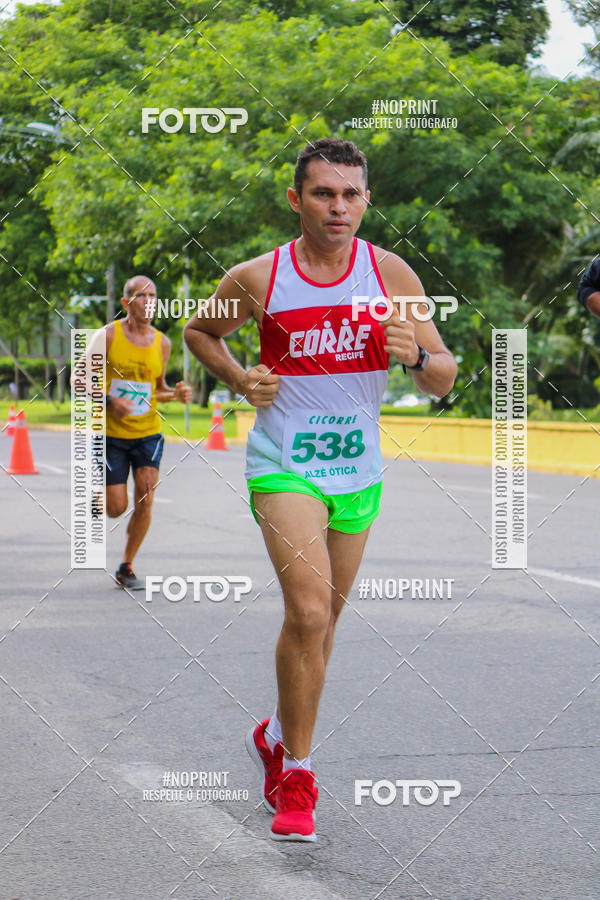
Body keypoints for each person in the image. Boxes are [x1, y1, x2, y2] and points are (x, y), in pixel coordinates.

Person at [184, 138, 457, 842]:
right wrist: (242, 379)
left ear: (367, 201)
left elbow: (444, 374)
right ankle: (298, 774)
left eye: (351, 194)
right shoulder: (258, 277)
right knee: (307, 613)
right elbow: (200, 332)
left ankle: (275, 733)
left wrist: (419, 355)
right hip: (285, 464)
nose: (338, 207)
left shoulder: (390, 272)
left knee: (325, 623)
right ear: (296, 199)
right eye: (323, 193)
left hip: (358, 470)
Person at [105, 275, 192, 589]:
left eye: (153, 295)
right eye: (141, 296)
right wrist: (109, 401)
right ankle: (102, 493)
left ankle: (126, 565)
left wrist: (176, 394)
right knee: (116, 508)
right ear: (127, 303)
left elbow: (159, 390)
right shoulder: (108, 336)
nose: (149, 301)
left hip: (148, 434)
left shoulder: (162, 342)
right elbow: (80, 381)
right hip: (112, 435)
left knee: (146, 496)